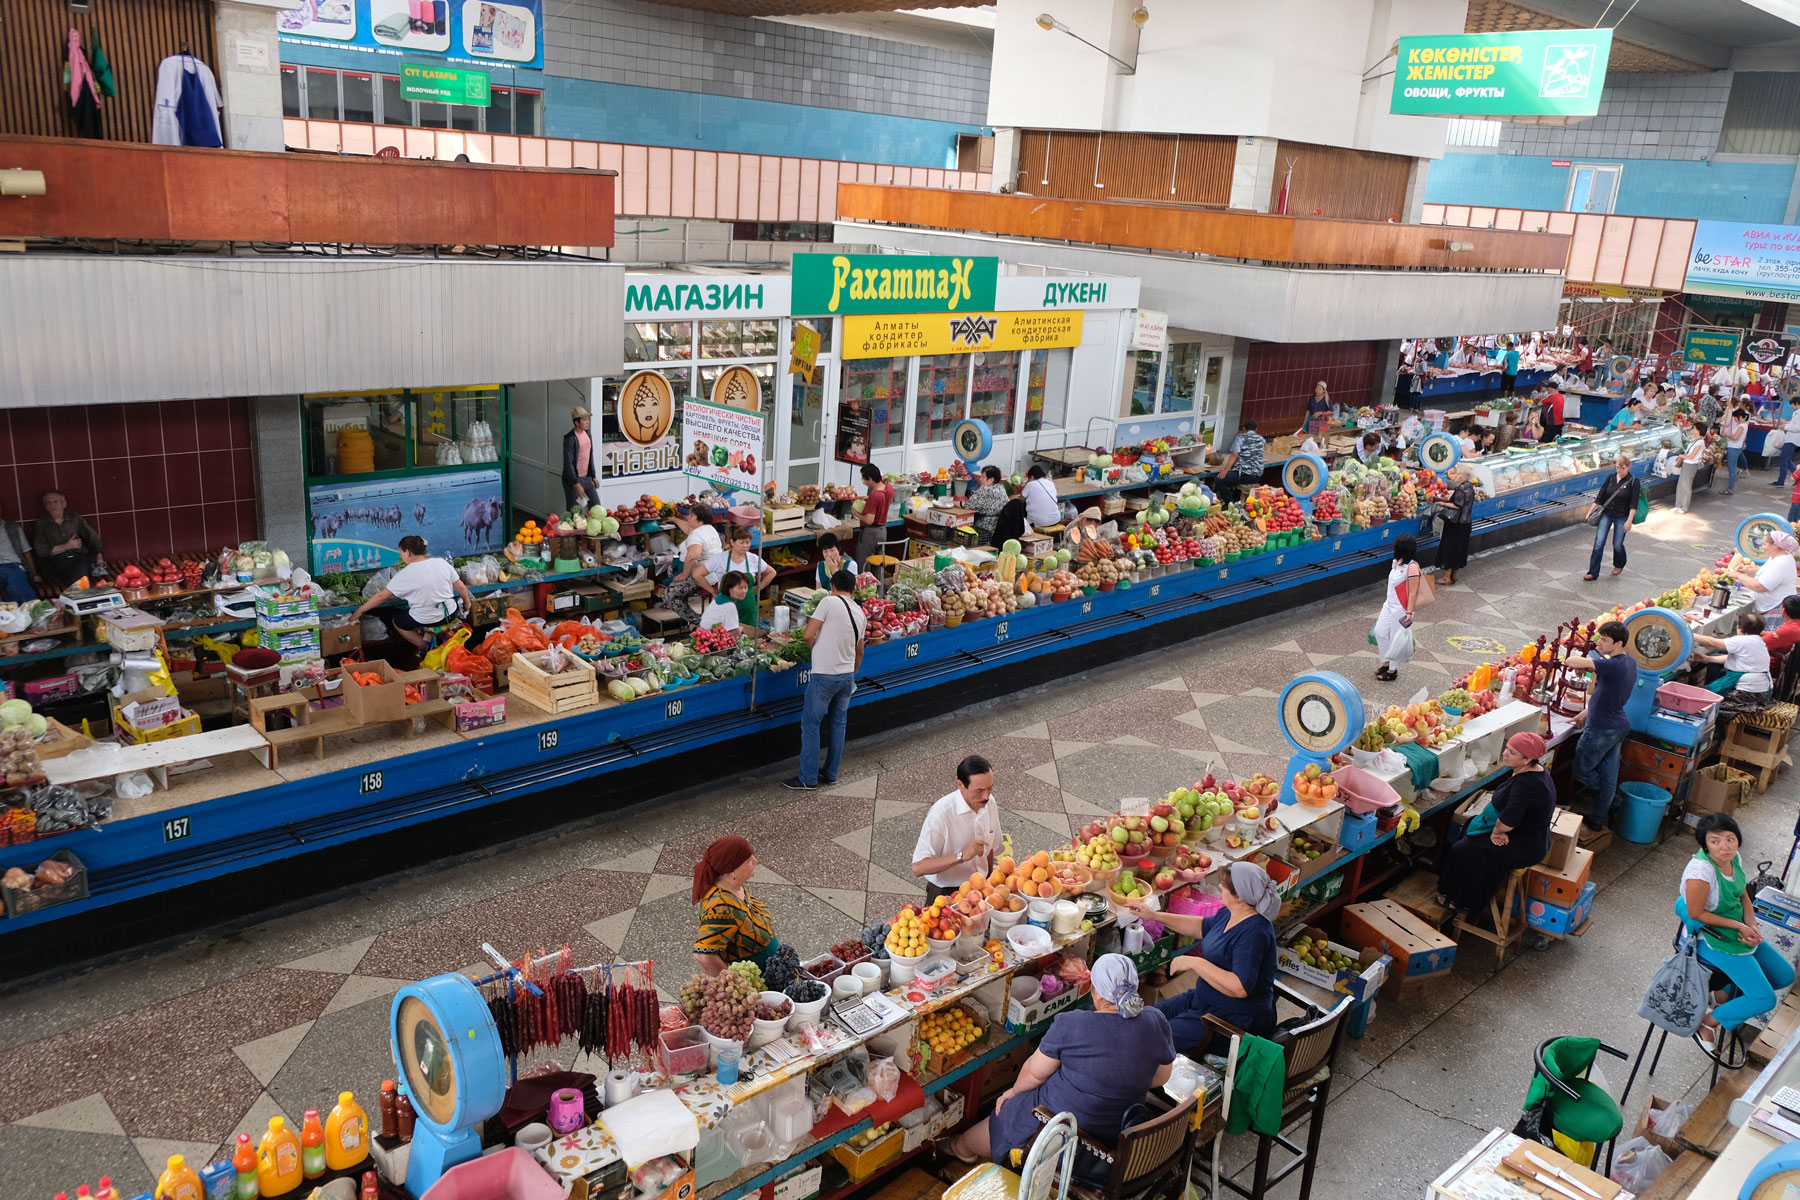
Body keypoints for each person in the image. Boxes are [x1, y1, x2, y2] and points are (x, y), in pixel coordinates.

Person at [947, 954, 1175, 1165]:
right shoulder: (1155, 1020)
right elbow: (1160, 1078)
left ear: (1095, 993)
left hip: (1064, 1135)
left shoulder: (1072, 1024)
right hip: (1117, 1131)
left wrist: (1013, 1092)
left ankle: (961, 1148)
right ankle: (963, 1147)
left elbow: (1034, 1074)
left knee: (1009, 1111)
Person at [1134, 862, 1280, 1054]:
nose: (1220, 887)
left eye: (1225, 886)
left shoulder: (1254, 934)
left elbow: (1240, 987)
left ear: (1239, 897)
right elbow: (1200, 926)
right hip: (1204, 998)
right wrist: (1154, 915)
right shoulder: (1231, 913)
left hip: (1231, 1019)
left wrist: (1195, 962)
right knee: (1144, 1020)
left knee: (1153, 1039)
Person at [1682, 813, 1794, 1057]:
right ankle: (1707, 1023)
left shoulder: (1734, 858)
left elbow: (1743, 895)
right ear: (1705, 845)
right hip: (1712, 940)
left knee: (1784, 975)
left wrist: (1751, 924)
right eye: (1715, 841)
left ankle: (1721, 995)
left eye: (1730, 839)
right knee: (1765, 999)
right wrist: (1738, 927)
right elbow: (1696, 912)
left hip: (1736, 930)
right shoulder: (1700, 872)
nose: (1725, 846)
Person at [1436, 733, 1556, 912]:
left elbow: (1508, 821)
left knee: (1463, 850)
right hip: (1526, 834)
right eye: (1507, 748)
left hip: (1524, 845)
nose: (1505, 754)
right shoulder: (1537, 770)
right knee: (1469, 827)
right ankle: (1460, 888)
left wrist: (1497, 832)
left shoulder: (1526, 786)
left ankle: (1463, 900)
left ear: (1527, 759)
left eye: (1512, 752)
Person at [787, 569, 864, 791]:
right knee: (839, 723)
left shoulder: (829, 602)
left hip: (824, 675)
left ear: (832, 586)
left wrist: (816, 651)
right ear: (854, 589)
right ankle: (831, 774)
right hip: (846, 676)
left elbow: (807, 634)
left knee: (811, 725)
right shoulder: (860, 612)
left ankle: (808, 778)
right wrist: (851, 674)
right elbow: (860, 652)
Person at [1565, 620, 1633, 837]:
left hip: (1602, 729)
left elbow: (1570, 661)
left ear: (1619, 643)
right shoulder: (1629, 662)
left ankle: (1613, 800)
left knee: (1582, 771)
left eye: (1604, 640)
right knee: (1609, 775)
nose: (1600, 643)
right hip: (1618, 724)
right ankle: (1597, 818)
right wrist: (1585, 713)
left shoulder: (1612, 664)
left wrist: (1588, 656)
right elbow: (1607, 694)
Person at [349, 535, 474, 649]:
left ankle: (426, 647)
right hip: (450, 613)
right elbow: (461, 588)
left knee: (398, 622)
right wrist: (467, 603)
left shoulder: (404, 575)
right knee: (432, 610)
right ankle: (428, 638)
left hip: (425, 618)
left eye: (401, 552)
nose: (401, 556)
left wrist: (359, 611)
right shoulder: (441, 563)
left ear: (408, 552)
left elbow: (381, 596)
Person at [911, 755, 1003, 903]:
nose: (986, 796)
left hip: (981, 887)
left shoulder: (990, 803)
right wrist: (961, 856)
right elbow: (918, 867)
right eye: (979, 791)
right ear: (960, 785)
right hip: (947, 893)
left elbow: (990, 847)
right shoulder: (941, 815)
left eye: (990, 788)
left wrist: (990, 879)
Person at [692, 836, 780, 977]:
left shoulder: (734, 887)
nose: (755, 861)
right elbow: (704, 956)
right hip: (754, 984)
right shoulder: (721, 905)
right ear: (732, 871)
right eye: (748, 861)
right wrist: (734, 982)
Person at [1696, 611, 1774, 721]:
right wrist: (1708, 659)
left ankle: (1716, 732)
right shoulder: (1758, 641)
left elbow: (1711, 642)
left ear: (1740, 628)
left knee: (1703, 703)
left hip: (1748, 697)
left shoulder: (1742, 640)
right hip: (1762, 693)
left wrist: (1689, 633)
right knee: (1704, 693)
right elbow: (1736, 659)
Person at [704, 523, 775, 628]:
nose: (746, 545)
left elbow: (772, 572)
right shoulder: (720, 559)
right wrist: (712, 591)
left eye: (748, 542)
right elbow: (698, 575)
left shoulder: (753, 559)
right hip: (726, 606)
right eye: (742, 542)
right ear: (732, 542)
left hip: (748, 608)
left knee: (748, 636)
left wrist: (760, 587)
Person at [1372, 535, 1422, 683]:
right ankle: (1386, 661)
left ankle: (1393, 669)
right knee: (1379, 632)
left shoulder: (1412, 567)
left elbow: (1413, 592)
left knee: (1395, 638)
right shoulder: (1396, 562)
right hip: (1389, 604)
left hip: (1401, 608)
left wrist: (1409, 612)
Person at [1584, 454, 1640, 581]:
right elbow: (1600, 496)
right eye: (1617, 468)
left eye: (1622, 468)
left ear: (1628, 467)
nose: (1619, 471)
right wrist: (1590, 511)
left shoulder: (1633, 482)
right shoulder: (1610, 478)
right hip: (1607, 514)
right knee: (1599, 543)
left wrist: (1629, 520)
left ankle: (1619, 563)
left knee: (1617, 544)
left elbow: (1633, 503)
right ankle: (1593, 572)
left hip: (1622, 515)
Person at [32, 490, 103, 588]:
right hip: (58, 562)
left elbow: (92, 537)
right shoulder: (42, 523)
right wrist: (67, 546)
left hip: (80, 557)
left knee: (81, 567)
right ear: (46, 506)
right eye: (49, 502)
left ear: (64, 504)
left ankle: (81, 595)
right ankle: (84, 596)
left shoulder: (75, 518)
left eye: (55, 502)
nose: (52, 505)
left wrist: (99, 557)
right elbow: (41, 550)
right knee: (78, 570)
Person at [663, 504, 722, 617]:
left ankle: (695, 622)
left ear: (699, 519)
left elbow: (693, 557)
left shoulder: (697, 535)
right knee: (673, 577)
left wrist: (684, 574)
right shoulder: (709, 529)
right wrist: (675, 520)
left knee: (669, 595)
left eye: (691, 515)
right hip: (714, 573)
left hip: (702, 576)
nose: (688, 517)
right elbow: (689, 528)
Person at [1731, 530, 1798, 622]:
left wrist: (1739, 576)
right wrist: (1747, 570)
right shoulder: (1776, 557)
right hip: (1770, 606)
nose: (1762, 547)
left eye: (1765, 544)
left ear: (1774, 545)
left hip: (1776, 609)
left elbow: (1759, 586)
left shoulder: (1781, 562)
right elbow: (1763, 572)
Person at [1435, 465, 1476, 586]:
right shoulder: (1470, 487)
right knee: (1459, 549)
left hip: (1455, 523)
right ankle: (1455, 575)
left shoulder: (1461, 488)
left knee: (1449, 548)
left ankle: (1446, 577)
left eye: (1459, 474)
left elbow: (1457, 505)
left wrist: (1443, 503)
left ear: (1466, 476)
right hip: (1466, 523)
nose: (1456, 476)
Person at [1215, 420, 1266, 503]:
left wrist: (1225, 470)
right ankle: (1236, 500)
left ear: (1243, 428)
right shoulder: (1262, 440)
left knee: (1219, 480)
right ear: (1256, 429)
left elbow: (1234, 455)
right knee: (1233, 478)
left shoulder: (1240, 438)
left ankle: (1229, 503)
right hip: (1257, 475)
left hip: (1244, 474)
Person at [561, 406, 600, 510]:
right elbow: (568, 463)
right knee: (574, 512)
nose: (588, 422)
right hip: (573, 480)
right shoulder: (570, 439)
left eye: (588, 419)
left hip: (586, 478)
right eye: (584, 420)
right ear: (576, 423)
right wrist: (576, 484)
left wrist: (593, 476)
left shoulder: (587, 433)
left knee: (596, 508)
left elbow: (589, 455)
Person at [0, 506, 42, 602]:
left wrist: (33, 573)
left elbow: (26, 552)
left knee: (15, 582)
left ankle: (28, 612)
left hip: (13, 566)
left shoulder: (13, 527)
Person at [855, 463, 894, 564]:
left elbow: (869, 520)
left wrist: (855, 513)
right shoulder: (889, 488)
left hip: (870, 534)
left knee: (864, 563)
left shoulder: (874, 496)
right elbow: (883, 499)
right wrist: (868, 499)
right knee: (878, 564)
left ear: (870, 479)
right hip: (882, 531)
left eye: (864, 480)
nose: (864, 482)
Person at [1761, 594, 1800, 684]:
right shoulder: (1794, 626)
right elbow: (1779, 636)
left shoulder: (1788, 630)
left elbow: (1759, 645)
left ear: (1783, 610)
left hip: (1777, 667)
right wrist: (1761, 632)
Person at [966, 465, 1009, 545]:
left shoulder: (985, 489)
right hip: (999, 526)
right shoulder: (1002, 489)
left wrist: (956, 503)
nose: (980, 479)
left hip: (984, 527)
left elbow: (968, 505)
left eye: (983, 477)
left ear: (991, 480)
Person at [1675, 425, 1710, 514]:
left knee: (1686, 485)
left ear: (1698, 431)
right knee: (1680, 484)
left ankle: (1685, 506)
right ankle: (1678, 504)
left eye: (1694, 428)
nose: (1693, 430)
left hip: (1691, 465)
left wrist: (1681, 456)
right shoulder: (1694, 440)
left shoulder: (1700, 443)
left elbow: (1691, 456)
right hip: (1686, 464)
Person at [1021, 464, 1061, 530]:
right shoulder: (1050, 483)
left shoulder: (1030, 484)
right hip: (1055, 520)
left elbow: (1021, 499)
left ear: (1032, 477)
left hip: (1038, 523)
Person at [1721, 404, 1749, 495]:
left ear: (1740, 417)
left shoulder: (1742, 426)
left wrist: (1726, 434)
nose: (1735, 420)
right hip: (1736, 447)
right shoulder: (1743, 425)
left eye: (1735, 418)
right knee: (1732, 468)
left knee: (1732, 468)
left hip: (1734, 448)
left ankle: (1730, 488)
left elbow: (1735, 437)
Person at [1774, 407, 1800, 487]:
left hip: (1793, 440)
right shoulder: (1796, 413)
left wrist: (1785, 427)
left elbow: (1798, 428)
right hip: (1790, 439)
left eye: (1792, 405)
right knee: (1786, 459)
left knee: (1784, 460)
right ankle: (1797, 476)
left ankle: (1781, 481)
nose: (1792, 407)